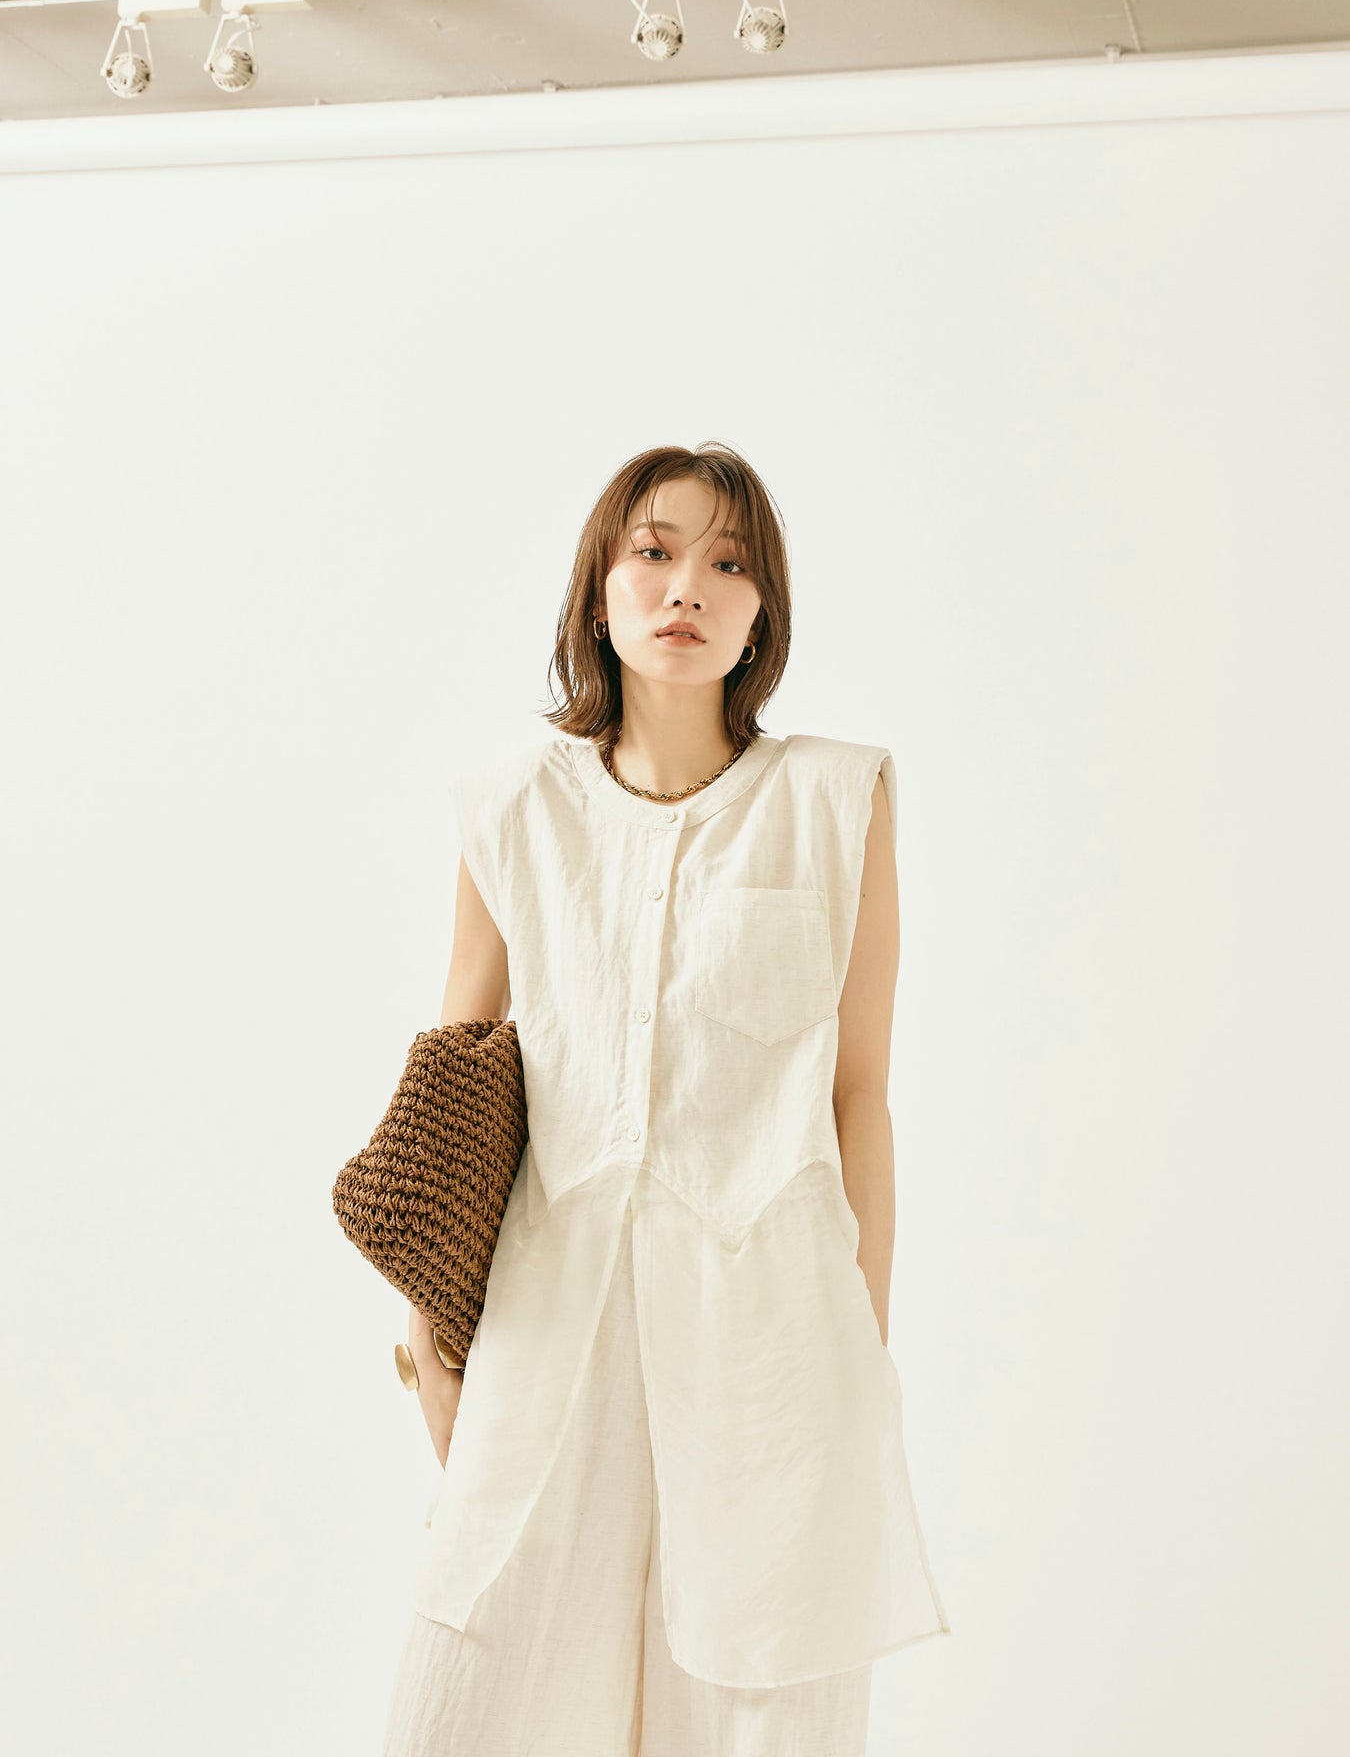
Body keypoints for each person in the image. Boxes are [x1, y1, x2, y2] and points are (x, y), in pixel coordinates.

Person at [382, 442, 951, 1756]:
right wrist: (429, 1341)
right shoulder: (510, 808)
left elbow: (860, 1093)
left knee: (756, 1713)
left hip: (770, 1345)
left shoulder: (835, 799)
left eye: (729, 562)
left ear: (763, 616)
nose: (687, 583)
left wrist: (862, 1357)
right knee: (470, 1706)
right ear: (599, 589)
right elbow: (452, 1087)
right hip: (548, 1328)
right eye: (653, 550)